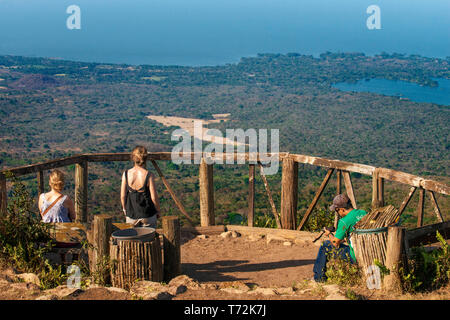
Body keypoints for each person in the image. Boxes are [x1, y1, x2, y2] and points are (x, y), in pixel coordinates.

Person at [313, 193, 367, 282]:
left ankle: (319, 278)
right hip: (366, 251)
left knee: (325, 245)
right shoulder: (363, 212)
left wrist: (329, 234)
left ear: (341, 209)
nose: (337, 213)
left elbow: (335, 243)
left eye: (337, 211)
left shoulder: (344, 221)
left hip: (355, 255)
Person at [121, 146, 161, 228]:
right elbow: (154, 197)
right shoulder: (149, 175)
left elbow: (123, 196)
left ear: (133, 157)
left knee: (132, 239)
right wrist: (158, 211)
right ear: (145, 159)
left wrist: (125, 209)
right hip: (148, 214)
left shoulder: (126, 174)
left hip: (131, 214)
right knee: (149, 237)